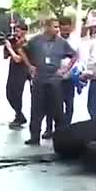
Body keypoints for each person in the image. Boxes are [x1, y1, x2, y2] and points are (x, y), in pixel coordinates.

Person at [22, 18, 76, 146]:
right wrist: (29, 65)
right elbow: (22, 50)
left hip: (55, 80)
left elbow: (74, 55)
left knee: (57, 109)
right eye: (55, 27)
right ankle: (34, 136)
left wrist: (65, 69)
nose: (57, 29)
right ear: (46, 27)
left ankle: (60, 137)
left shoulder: (61, 42)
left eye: (58, 27)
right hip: (39, 78)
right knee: (36, 109)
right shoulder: (35, 40)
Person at [43, 17, 81, 135]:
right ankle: (49, 129)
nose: (65, 33)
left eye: (67, 30)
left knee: (69, 104)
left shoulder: (76, 41)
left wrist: (75, 72)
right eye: (63, 30)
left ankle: (66, 130)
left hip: (69, 77)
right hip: (55, 77)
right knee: (51, 104)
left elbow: (79, 58)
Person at [3, 23, 30, 129]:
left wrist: (10, 48)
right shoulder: (13, 42)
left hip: (23, 70)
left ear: (25, 32)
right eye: (16, 30)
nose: (16, 33)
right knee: (9, 93)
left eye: (19, 31)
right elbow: (6, 56)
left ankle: (19, 116)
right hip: (13, 70)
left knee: (17, 94)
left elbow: (18, 58)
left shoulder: (27, 44)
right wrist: (8, 46)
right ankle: (19, 114)